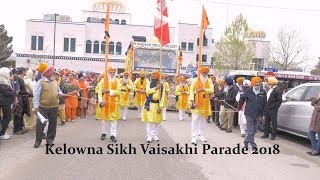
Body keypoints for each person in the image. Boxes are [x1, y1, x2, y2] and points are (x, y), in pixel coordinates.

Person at [33, 66, 66, 148]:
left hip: (54, 107)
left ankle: (50, 140)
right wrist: (36, 107)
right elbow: (36, 95)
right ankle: (38, 141)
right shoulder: (40, 82)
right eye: (53, 73)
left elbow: (58, 90)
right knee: (40, 125)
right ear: (48, 74)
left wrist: (60, 93)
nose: (54, 75)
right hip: (43, 107)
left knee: (52, 124)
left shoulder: (55, 82)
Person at [238, 77, 267, 151]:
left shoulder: (263, 92)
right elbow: (242, 99)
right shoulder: (248, 91)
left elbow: (265, 104)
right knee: (251, 130)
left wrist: (263, 114)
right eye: (256, 83)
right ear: (253, 84)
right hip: (249, 113)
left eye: (259, 83)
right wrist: (239, 108)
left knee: (254, 130)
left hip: (258, 114)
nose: (257, 85)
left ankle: (245, 142)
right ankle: (253, 145)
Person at [189, 67, 214, 144]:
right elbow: (191, 91)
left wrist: (203, 90)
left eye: (206, 72)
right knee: (195, 119)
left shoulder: (209, 80)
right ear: (200, 73)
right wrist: (192, 101)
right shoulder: (195, 80)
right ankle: (193, 136)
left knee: (203, 119)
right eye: (203, 72)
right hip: (196, 101)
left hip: (205, 102)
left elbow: (212, 90)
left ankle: (200, 135)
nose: (205, 73)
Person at [142, 71, 166, 143]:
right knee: (149, 121)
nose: (153, 77)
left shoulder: (161, 85)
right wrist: (156, 88)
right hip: (150, 104)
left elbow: (162, 97)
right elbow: (147, 92)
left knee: (157, 121)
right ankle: (149, 136)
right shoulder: (149, 83)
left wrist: (160, 106)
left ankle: (155, 135)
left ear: (158, 77)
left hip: (157, 105)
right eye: (152, 76)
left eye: (154, 76)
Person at [98, 67, 121, 142]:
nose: (112, 74)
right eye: (110, 72)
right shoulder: (103, 80)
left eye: (113, 72)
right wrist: (101, 101)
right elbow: (99, 91)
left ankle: (113, 135)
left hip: (114, 103)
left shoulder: (117, 81)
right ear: (108, 73)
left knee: (113, 120)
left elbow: (118, 92)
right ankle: (103, 133)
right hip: (105, 103)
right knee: (104, 119)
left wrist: (109, 90)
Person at [0, 67, 16, 140]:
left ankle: (2, 132)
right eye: (8, 73)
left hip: (4, 101)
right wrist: (14, 92)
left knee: (6, 117)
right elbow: (7, 92)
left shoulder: (4, 80)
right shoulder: (2, 81)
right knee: (7, 117)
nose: (9, 74)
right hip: (4, 102)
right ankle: (2, 133)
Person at [13, 67, 30, 134]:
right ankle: (16, 130)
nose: (26, 72)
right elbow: (17, 90)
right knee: (18, 114)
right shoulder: (18, 79)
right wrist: (26, 92)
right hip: (19, 99)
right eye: (25, 71)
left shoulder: (20, 79)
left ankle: (20, 128)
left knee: (21, 113)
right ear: (23, 71)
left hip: (22, 98)